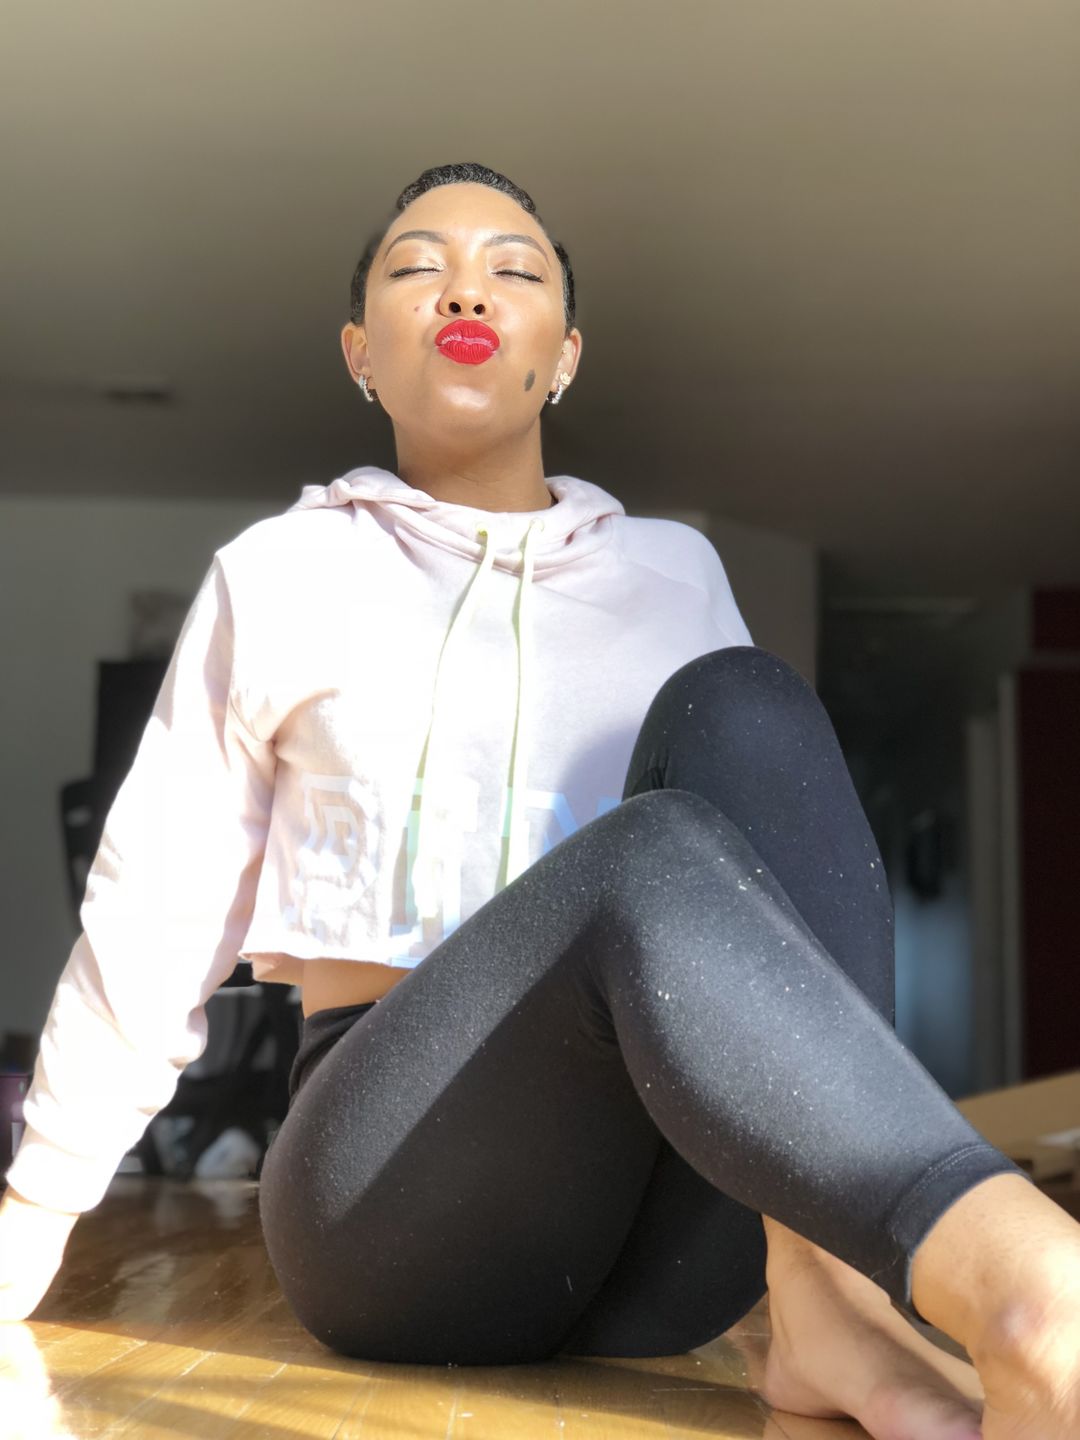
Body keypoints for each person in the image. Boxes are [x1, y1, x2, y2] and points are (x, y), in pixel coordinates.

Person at [2, 161, 1078, 1438]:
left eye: (513, 271)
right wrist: (31, 1216)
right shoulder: (283, 573)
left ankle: (827, 1302)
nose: (466, 289)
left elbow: (779, 897)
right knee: (648, 858)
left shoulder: (675, 573)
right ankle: (1036, 1293)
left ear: (563, 355)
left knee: (751, 708)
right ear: (361, 352)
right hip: (394, 1205)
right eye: (418, 268)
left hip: (661, 1236)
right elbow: (157, 906)